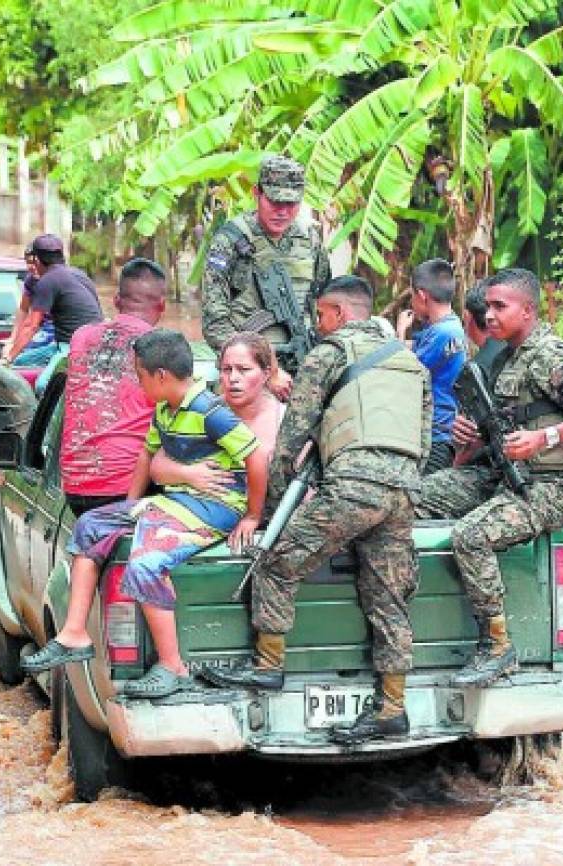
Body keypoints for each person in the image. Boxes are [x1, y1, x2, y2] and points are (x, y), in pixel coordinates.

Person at [205, 275, 432, 746]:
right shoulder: (412, 362)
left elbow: (290, 442)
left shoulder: (327, 355)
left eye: (322, 315)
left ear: (341, 314)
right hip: (403, 490)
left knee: (275, 561)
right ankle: (392, 707)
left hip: (352, 488)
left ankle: (268, 666)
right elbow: (425, 438)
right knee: (387, 595)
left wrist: (268, 515)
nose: (317, 323)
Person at [21, 329, 268, 700]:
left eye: (140, 376)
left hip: (215, 508)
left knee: (147, 562)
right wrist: (130, 505)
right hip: (178, 501)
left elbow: (256, 456)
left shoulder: (209, 411)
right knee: (90, 527)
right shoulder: (165, 410)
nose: (138, 385)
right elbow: (146, 455)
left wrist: (251, 516)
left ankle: (173, 666)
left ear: (161, 377)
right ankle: (74, 632)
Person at [416, 268, 563, 688]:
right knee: (414, 495)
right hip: (501, 473)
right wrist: (470, 439)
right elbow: (500, 429)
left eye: (499, 307)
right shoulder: (502, 357)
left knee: (471, 535)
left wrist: (543, 438)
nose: (489, 315)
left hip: (555, 485)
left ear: (527, 311)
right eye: (487, 307)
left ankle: (497, 646)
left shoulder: (550, 356)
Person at [201, 154, 330, 397]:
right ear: (256, 193)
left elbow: (325, 304)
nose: (282, 212)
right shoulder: (230, 241)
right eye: (274, 202)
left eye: (291, 204)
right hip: (244, 373)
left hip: (301, 363)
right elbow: (214, 322)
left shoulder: (310, 240)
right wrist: (267, 371)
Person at [60, 258, 168, 517]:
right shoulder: (161, 349)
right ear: (162, 306)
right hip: (127, 489)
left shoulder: (81, 337)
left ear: (117, 301)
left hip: (75, 488)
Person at [149, 331, 285, 499]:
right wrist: (188, 474)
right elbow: (157, 466)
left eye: (244, 369)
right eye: (226, 370)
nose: (233, 378)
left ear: (266, 373)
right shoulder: (204, 409)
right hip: (201, 510)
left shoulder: (286, 420)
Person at [0, 233, 103, 392]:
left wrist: (7, 358)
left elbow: (31, 327)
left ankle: (55, 416)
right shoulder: (79, 274)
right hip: (84, 342)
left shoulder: (47, 281)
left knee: (42, 386)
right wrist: (13, 357)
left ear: (37, 260)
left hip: (75, 346)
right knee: (20, 363)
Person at [396, 259, 467, 474]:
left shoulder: (442, 333)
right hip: (438, 432)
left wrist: (400, 333)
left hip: (436, 435)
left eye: (412, 297)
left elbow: (405, 373)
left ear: (422, 295)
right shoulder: (447, 327)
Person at [1, 246, 57, 367]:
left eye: (34, 262)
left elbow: (32, 325)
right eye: (28, 262)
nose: (31, 267)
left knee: (20, 360)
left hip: (57, 333)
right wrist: (13, 339)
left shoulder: (54, 280)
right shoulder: (31, 281)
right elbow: (23, 310)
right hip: (41, 330)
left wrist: (11, 356)